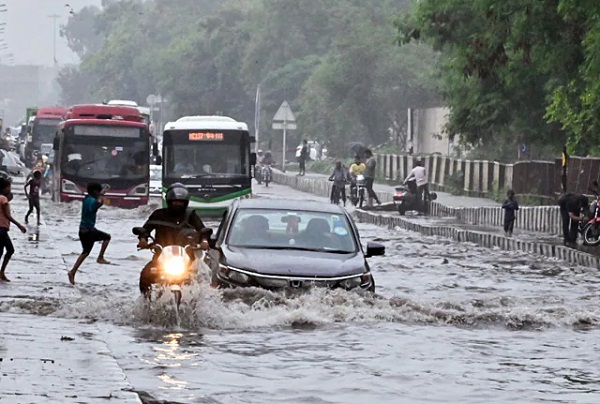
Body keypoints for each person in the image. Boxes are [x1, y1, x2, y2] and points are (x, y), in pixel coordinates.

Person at [136, 183, 210, 295]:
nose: (177, 204)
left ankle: (199, 303)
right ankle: (146, 302)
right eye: (175, 202)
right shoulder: (158, 214)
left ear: (185, 203)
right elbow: (145, 229)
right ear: (169, 202)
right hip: (161, 255)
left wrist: (204, 241)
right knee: (146, 274)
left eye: (180, 202)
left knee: (202, 278)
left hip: (187, 256)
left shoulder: (191, 215)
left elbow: (202, 230)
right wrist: (143, 240)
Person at [68, 183, 111, 285]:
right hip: (88, 230)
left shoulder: (87, 199)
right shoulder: (92, 201)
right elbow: (94, 206)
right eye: (99, 191)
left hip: (83, 230)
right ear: (95, 192)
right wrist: (101, 201)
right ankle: (100, 257)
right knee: (107, 237)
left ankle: (72, 271)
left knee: (85, 252)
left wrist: (101, 196)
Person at [0, 178, 26, 282]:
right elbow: (7, 215)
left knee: (4, 250)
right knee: (9, 250)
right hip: (2, 228)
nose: (9, 189)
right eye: (8, 187)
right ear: (4, 188)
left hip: (2, 229)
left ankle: (1, 272)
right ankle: (1, 272)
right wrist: (19, 225)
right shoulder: (3, 199)